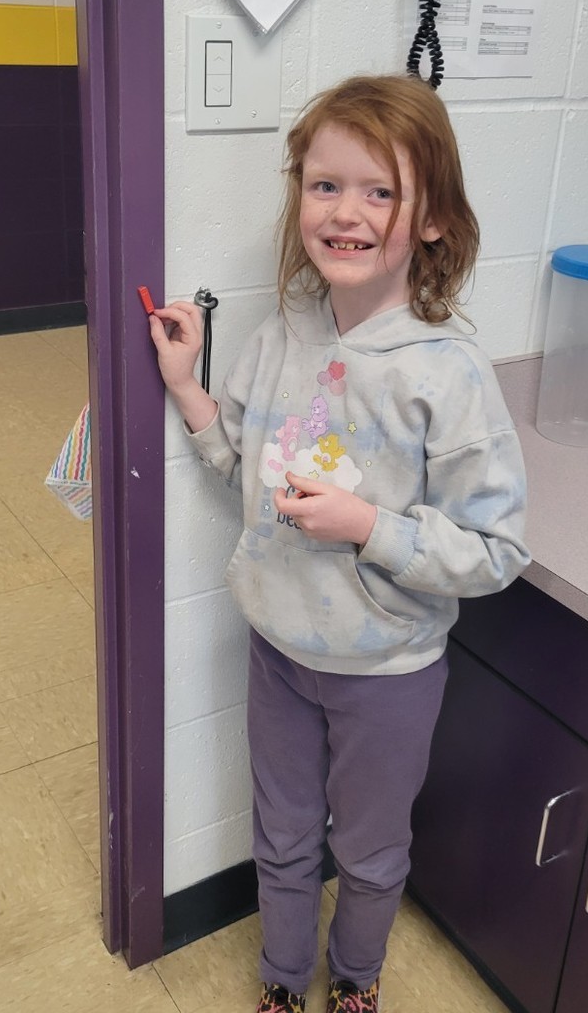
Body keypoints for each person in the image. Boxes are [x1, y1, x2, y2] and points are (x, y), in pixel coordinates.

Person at [149, 73, 530, 1013]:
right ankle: (283, 981)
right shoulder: (283, 336)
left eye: (379, 191)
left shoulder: (448, 376)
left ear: (432, 219)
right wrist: (188, 385)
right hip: (277, 650)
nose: (345, 212)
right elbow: (239, 467)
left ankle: (356, 978)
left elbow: (495, 550)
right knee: (281, 839)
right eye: (325, 186)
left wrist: (368, 528)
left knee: (368, 850)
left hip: (387, 673)